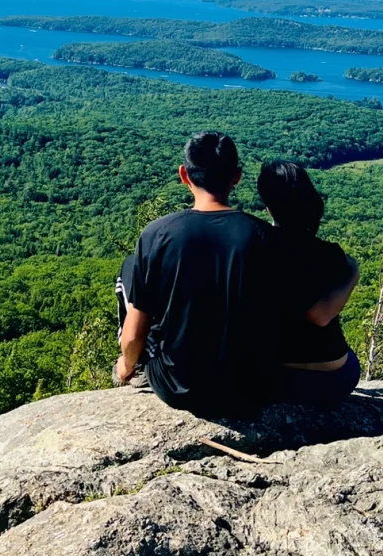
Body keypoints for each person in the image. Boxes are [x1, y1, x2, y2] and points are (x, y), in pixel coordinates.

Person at [114, 131, 272, 417]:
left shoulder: (157, 234)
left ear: (184, 175)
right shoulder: (264, 236)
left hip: (178, 386)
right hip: (250, 386)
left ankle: (137, 363)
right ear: (237, 177)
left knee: (130, 267)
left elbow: (134, 334)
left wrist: (124, 368)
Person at [257, 159, 361, 405]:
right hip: (331, 378)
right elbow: (321, 316)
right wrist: (354, 272)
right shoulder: (330, 254)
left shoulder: (252, 246)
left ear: (268, 206)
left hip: (269, 374)